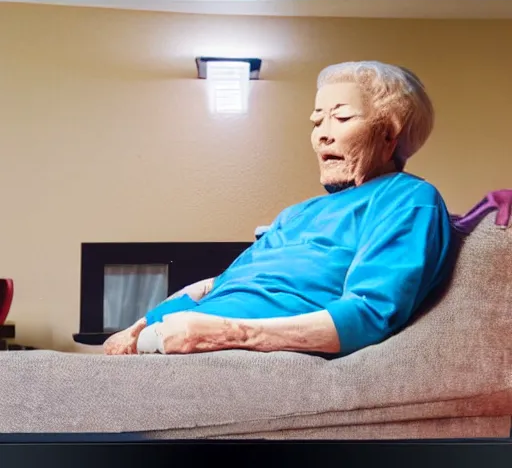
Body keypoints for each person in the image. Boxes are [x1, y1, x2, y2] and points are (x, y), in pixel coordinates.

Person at [103, 60, 452, 357]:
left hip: (251, 349)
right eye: (317, 122)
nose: (322, 135)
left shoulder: (408, 198)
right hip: (185, 336)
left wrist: (224, 334)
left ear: (390, 134)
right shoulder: (297, 213)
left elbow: (370, 314)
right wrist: (143, 323)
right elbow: (219, 284)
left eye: (341, 118)